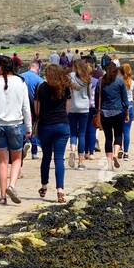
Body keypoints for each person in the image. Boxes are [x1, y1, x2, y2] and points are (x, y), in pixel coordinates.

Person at [0, 54, 30, 204]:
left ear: (0, 67)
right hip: (16, 124)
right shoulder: (20, 82)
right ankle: (12, 185)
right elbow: (25, 107)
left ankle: (3, 196)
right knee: (16, 159)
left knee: (3, 161)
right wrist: (28, 126)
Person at [33, 63, 72, 202]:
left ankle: (44, 186)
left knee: (46, 157)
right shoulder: (65, 87)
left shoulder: (41, 87)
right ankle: (60, 190)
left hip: (46, 126)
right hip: (62, 125)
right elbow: (68, 109)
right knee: (59, 159)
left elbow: (37, 110)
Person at [96, 55, 130, 169]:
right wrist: (126, 113)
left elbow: (97, 99)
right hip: (118, 112)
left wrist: (97, 112)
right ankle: (115, 154)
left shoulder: (100, 82)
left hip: (104, 113)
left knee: (108, 138)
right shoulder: (120, 82)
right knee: (118, 135)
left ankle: (110, 163)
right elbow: (125, 101)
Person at [67, 58, 93, 168]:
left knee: (73, 133)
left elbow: (68, 92)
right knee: (82, 134)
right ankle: (81, 162)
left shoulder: (69, 76)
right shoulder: (87, 78)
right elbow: (90, 94)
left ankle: (72, 150)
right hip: (84, 107)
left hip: (73, 107)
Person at [22, 58, 44, 159]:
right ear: (37, 68)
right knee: (33, 128)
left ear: (29, 67)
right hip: (34, 105)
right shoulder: (39, 80)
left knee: (23, 126)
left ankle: (24, 143)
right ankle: (34, 152)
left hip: (22, 105)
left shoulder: (21, 77)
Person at [120, 60, 134, 153]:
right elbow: (133, 96)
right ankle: (126, 152)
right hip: (129, 105)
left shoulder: (119, 82)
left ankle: (119, 148)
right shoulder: (132, 82)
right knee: (127, 130)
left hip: (120, 105)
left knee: (119, 130)